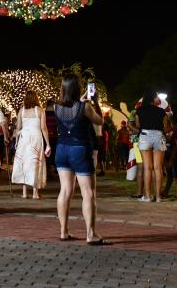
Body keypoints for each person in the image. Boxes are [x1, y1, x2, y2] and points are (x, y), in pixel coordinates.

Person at [54, 73, 104, 245]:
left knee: (65, 190)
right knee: (88, 193)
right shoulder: (85, 107)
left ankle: (63, 232)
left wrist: (81, 102)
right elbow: (100, 121)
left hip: (61, 150)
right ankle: (90, 234)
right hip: (79, 150)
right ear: (78, 87)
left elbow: (70, 110)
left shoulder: (56, 107)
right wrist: (94, 102)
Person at [11, 90, 50, 199]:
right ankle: (35, 192)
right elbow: (43, 128)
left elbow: (18, 127)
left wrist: (17, 141)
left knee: (24, 163)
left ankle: (24, 193)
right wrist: (48, 144)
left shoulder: (21, 111)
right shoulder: (40, 110)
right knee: (35, 162)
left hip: (24, 138)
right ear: (36, 98)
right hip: (36, 137)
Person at [135, 88, 171, 202]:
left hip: (145, 135)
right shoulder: (162, 112)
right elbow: (165, 129)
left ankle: (147, 196)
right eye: (157, 97)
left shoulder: (139, 111)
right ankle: (159, 197)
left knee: (147, 168)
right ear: (152, 98)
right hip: (159, 136)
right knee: (158, 168)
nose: (158, 99)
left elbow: (138, 125)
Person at [163, 116, 177, 198]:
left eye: (170, 123)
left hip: (176, 155)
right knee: (170, 174)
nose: (169, 125)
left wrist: (171, 160)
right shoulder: (174, 133)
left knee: (176, 173)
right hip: (173, 154)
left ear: (175, 125)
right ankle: (166, 191)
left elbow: (175, 148)